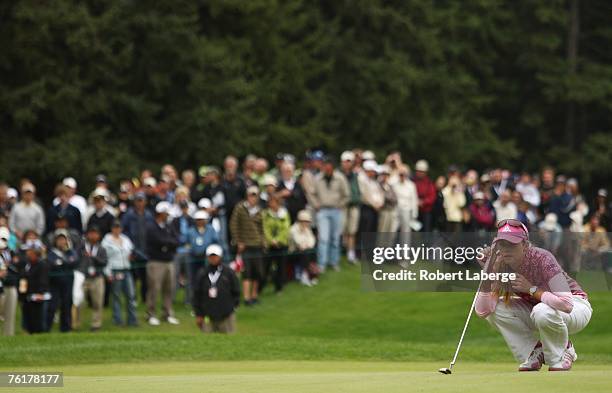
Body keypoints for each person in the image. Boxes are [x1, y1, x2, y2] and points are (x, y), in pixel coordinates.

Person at [475, 219, 592, 371]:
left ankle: (563, 352)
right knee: (497, 310)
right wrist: (489, 272)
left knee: (542, 310)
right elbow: (483, 310)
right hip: (540, 309)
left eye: (513, 243)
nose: (507, 249)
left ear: (524, 244)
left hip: (576, 307)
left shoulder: (543, 258)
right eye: (503, 244)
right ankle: (534, 352)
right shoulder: (500, 264)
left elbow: (567, 305)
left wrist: (531, 289)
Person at [311, 157, 349, 272]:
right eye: (325, 168)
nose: (327, 170)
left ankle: (334, 262)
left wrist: (340, 205)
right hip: (322, 211)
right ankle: (321, 264)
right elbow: (312, 194)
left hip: (336, 210)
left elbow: (346, 195)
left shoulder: (340, 178)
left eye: (329, 169)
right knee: (323, 238)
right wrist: (316, 205)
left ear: (333, 168)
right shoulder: (317, 178)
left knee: (335, 238)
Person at [146, 201, 180, 326]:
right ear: (160, 213)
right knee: (154, 289)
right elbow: (158, 241)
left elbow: (176, 240)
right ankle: (151, 314)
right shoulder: (151, 227)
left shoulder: (168, 226)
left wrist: (167, 244)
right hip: (156, 262)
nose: (168, 216)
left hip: (168, 261)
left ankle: (168, 313)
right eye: (166, 213)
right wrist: (167, 243)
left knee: (169, 289)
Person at [230, 185, 265, 306]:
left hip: (257, 245)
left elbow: (262, 228)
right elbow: (234, 225)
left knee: (257, 273)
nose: (253, 198)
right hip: (244, 246)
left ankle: (254, 296)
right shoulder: (240, 208)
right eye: (251, 195)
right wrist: (238, 241)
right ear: (247, 196)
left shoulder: (260, 210)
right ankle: (246, 298)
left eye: (255, 196)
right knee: (247, 273)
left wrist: (262, 242)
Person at [193, 244, 240, 334]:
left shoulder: (228, 272)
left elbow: (236, 290)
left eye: (215, 256)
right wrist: (198, 314)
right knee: (207, 343)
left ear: (220, 256)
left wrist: (233, 307)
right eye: (211, 256)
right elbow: (197, 294)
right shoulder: (202, 273)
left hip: (226, 314)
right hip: (207, 316)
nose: (213, 258)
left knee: (229, 342)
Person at [102, 220, 138, 327]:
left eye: (118, 227)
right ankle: (117, 319)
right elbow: (105, 258)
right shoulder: (106, 240)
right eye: (115, 227)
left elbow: (131, 251)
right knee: (116, 296)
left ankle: (132, 320)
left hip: (126, 269)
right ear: (111, 228)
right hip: (115, 270)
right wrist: (108, 273)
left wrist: (132, 256)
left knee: (131, 295)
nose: (117, 229)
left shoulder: (126, 239)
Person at [121, 192, 154, 303]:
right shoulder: (129, 215)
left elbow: (151, 231)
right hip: (133, 250)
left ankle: (145, 299)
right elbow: (123, 231)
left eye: (141, 200)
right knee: (133, 277)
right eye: (138, 200)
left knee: (146, 277)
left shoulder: (149, 215)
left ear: (145, 202)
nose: (140, 203)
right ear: (134, 202)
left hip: (146, 250)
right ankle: (132, 298)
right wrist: (129, 246)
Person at [46, 230, 79, 332]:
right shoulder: (51, 253)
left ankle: (66, 328)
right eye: (59, 239)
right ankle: (47, 327)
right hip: (54, 283)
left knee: (67, 304)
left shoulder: (71, 251)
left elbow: (74, 262)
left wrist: (62, 262)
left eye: (63, 239)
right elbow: (52, 264)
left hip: (68, 282)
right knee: (52, 305)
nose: (61, 242)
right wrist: (64, 263)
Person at [78, 225, 108, 331]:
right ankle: (77, 323)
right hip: (83, 277)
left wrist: (93, 257)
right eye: (91, 233)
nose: (93, 235)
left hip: (97, 277)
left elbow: (104, 262)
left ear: (99, 235)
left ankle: (96, 324)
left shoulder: (101, 248)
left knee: (97, 302)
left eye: (95, 233)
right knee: (79, 301)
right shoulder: (81, 247)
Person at [187, 210, 219, 304]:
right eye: (198, 219)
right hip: (193, 258)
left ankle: (207, 296)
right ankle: (191, 299)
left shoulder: (211, 229)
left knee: (207, 278)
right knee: (192, 278)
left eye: (202, 219)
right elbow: (186, 242)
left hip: (206, 258)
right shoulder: (191, 231)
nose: (200, 221)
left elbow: (215, 241)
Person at [20, 239, 50, 334]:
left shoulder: (42, 265)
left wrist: (40, 293)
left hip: (37, 296)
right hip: (27, 295)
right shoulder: (27, 264)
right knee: (29, 319)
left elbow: (43, 281)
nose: (28, 253)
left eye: (30, 251)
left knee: (38, 320)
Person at [262, 195, 291, 294]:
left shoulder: (284, 213)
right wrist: (271, 241)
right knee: (266, 266)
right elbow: (265, 228)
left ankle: (279, 288)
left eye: (273, 202)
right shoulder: (266, 214)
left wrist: (278, 240)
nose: (271, 204)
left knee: (281, 267)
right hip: (270, 245)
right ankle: (260, 287)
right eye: (270, 202)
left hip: (281, 244)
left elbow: (285, 228)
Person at [170, 199, 194, 302]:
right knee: (175, 275)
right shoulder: (175, 221)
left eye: (185, 207)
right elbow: (174, 234)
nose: (184, 209)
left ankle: (188, 299)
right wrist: (182, 241)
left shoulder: (192, 220)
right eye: (182, 207)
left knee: (189, 275)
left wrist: (186, 241)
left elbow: (192, 234)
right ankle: (172, 298)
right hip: (178, 251)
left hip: (188, 251)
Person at [339, 151, 361, 263]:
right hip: (342, 206)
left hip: (353, 206)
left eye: (349, 161)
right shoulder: (338, 175)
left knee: (352, 231)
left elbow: (358, 191)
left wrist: (356, 199)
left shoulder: (355, 175)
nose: (347, 164)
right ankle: (340, 253)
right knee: (342, 230)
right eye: (345, 161)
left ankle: (350, 253)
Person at [288, 210, 317, 286]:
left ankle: (312, 275)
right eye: (305, 221)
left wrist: (307, 245)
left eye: (308, 221)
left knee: (312, 252)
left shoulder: (307, 229)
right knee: (306, 253)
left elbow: (312, 241)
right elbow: (298, 242)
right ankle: (304, 276)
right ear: (300, 221)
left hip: (304, 251)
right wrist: (306, 244)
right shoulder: (293, 229)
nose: (307, 223)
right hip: (292, 254)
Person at [1, 226, 20, 335]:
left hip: (10, 284)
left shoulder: (12, 253)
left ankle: (8, 334)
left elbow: (19, 268)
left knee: (10, 312)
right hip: (1, 286)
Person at [392, 165, 419, 244]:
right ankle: (387, 250)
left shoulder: (411, 185)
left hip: (407, 210)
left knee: (406, 233)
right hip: (395, 209)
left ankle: (404, 253)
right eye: (400, 174)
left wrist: (414, 214)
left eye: (404, 174)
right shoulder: (394, 183)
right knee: (392, 230)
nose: (402, 176)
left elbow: (414, 200)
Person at [413, 160, 436, 232]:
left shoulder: (429, 183)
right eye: (418, 171)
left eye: (421, 171)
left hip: (426, 212)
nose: (419, 173)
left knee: (425, 232)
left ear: (425, 172)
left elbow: (432, 197)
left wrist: (423, 202)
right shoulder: (412, 181)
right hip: (414, 211)